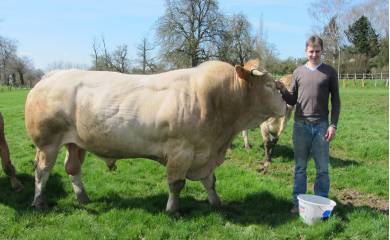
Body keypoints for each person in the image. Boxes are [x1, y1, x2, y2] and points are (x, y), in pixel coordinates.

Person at [275, 35, 341, 214]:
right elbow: (293, 100)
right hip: (300, 125)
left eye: (317, 51)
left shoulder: (330, 72)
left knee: (322, 169)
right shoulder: (298, 72)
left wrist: (333, 125)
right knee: (300, 168)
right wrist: (282, 90)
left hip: (321, 126)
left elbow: (335, 100)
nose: (314, 55)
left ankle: (321, 203)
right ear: (306, 51)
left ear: (322, 51)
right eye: (311, 52)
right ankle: (298, 202)